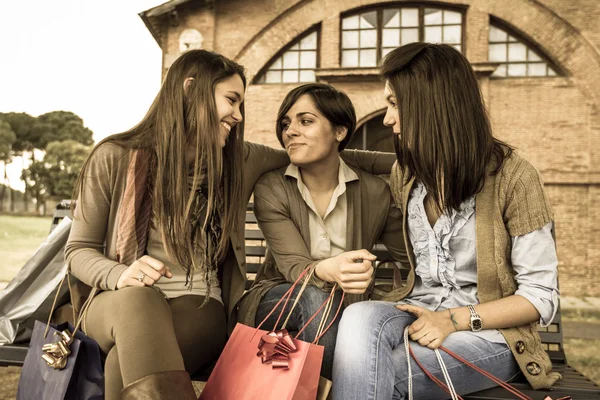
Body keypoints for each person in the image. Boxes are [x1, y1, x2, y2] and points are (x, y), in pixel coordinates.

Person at [66, 49, 394, 400]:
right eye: (231, 100)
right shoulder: (114, 157)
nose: (238, 115)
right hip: (115, 303)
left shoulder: (239, 160)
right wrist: (120, 275)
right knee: (139, 300)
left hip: (198, 303)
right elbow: (77, 251)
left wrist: (418, 160)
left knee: (122, 363)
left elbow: (323, 152)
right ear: (191, 89)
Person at [332, 43, 561, 400]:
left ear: (430, 104)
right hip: (416, 309)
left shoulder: (514, 178)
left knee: (383, 373)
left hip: (492, 337)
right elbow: (356, 158)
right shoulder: (408, 173)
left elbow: (540, 297)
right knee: (360, 317)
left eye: (394, 103)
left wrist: (453, 320)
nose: (387, 118)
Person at [238, 83, 406, 380]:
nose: (290, 131)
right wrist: (329, 270)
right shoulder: (272, 187)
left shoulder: (374, 192)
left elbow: (409, 258)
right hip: (277, 297)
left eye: (305, 121)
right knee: (317, 298)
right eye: (286, 123)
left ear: (340, 132)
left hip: (348, 305)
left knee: (346, 313)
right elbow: (293, 266)